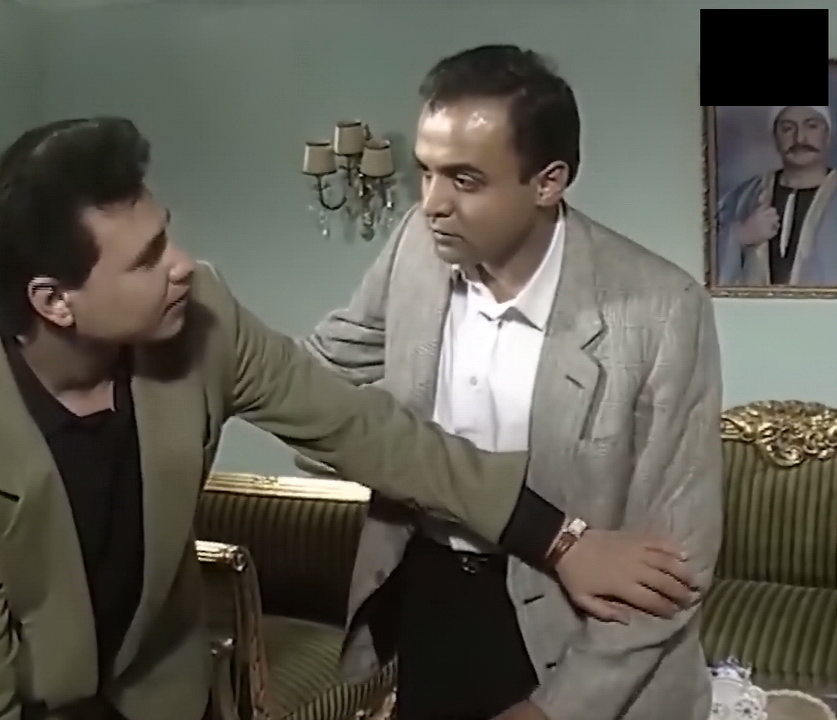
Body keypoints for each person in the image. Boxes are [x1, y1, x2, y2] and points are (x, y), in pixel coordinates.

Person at [0, 117, 696, 720]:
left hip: (170, 696)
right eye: (146, 258)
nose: (181, 265)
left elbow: (366, 430)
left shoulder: (202, 319)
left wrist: (558, 537)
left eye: (167, 235)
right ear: (53, 301)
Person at [301, 45, 723, 720]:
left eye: (464, 180)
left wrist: (557, 709)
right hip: (430, 596)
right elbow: (315, 378)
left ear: (548, 182)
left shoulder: (662, 310)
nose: (432, 205)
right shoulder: (414, 248)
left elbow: (676, 562)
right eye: (425, 172)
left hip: (576, 625)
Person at [716, 104, 837, 286]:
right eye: (787, 129)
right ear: (775, 138)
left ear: (827, 135)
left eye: (812, 126)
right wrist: (740, 236)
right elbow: (702, 259)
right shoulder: (743, 197)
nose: (800, 138)